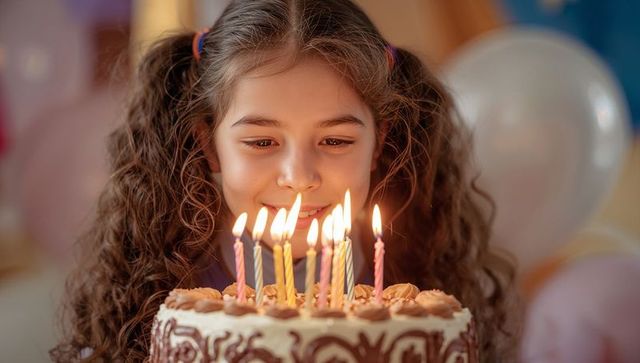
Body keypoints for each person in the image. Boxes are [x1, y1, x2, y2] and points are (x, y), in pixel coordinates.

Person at [51, 0, 517, 361]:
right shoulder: (165, 300)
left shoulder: (416, 293)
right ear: (209, 144)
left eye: (335, 141)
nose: (299, 178)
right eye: (261, 142)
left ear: (382, 141)